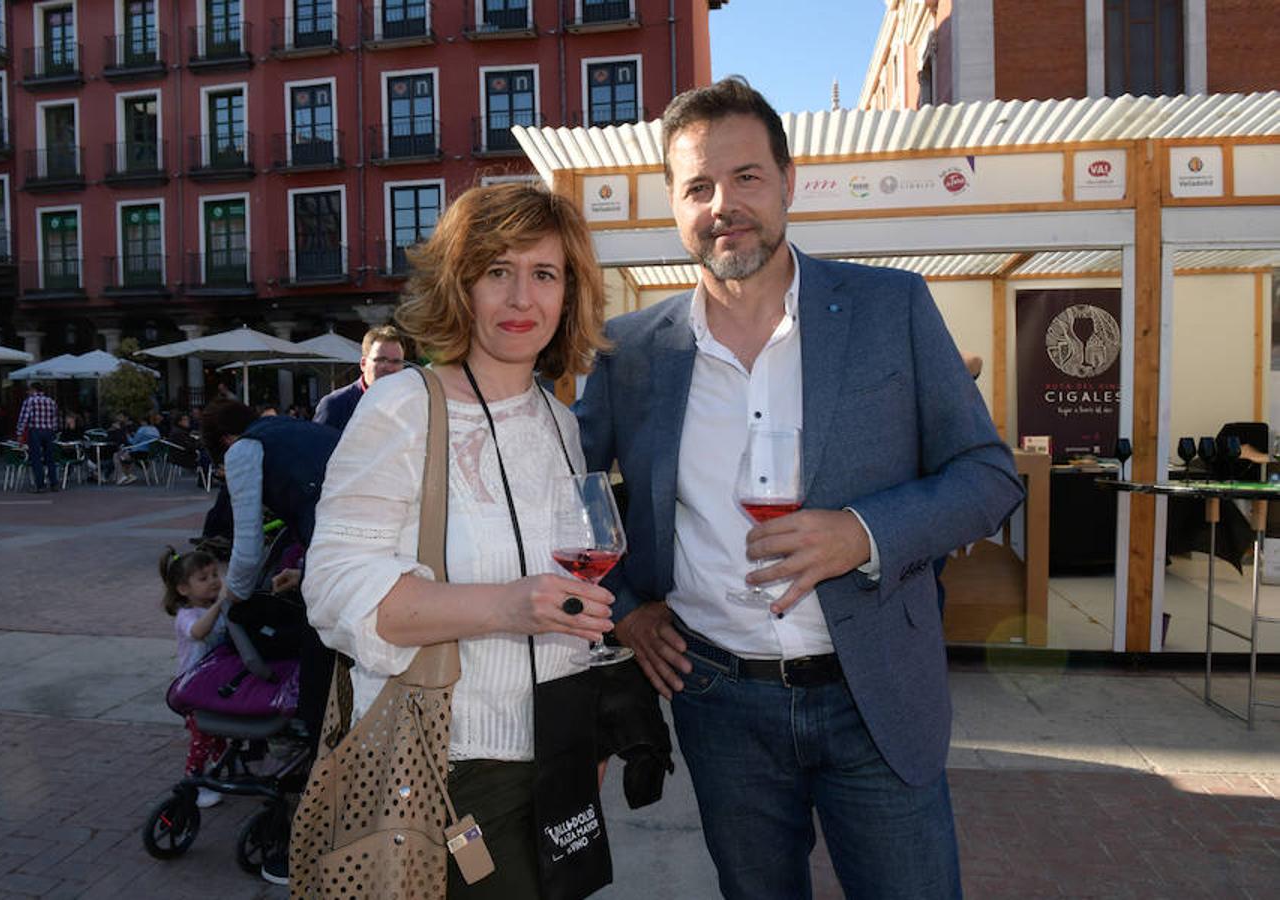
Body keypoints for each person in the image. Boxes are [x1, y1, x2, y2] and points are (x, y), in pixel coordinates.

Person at [575, 77, 1025, 900]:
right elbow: (562, 489)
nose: (724, 205)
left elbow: (988, 476)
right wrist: (632, 603)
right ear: (673, 206)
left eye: (746, 177)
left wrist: (862, 533)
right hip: (718, 702)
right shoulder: (632, 352)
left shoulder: (893, 308)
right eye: (698, 187)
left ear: (790, 182)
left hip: (876, 694)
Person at [303, 183, 612, 899]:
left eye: (544, 274)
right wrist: (508, 606)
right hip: (447, 770)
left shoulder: (559, 421)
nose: (520, 300)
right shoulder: (404, 407)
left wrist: (592, 727)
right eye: (496, 272)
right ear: (460, 285)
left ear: (568, 293)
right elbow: (333, 591)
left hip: (558, 759)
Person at [199, 396, 341, 885]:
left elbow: (246, 547)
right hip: (364, 556)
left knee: (322, 710)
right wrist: (302, 572)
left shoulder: (243, 451)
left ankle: (309, 839)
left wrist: (228, 604)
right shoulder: (304, 431)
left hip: (339, 572)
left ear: (222, 443)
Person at [159, 546, 229, 809]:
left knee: (219, 731)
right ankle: (194, 782)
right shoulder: (186, 616)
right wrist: (221, 603)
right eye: (203, 578)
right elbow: (199, 632)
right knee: (202, 736)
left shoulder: (214, 608)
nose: (213, 581)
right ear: (183, 589)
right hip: (192, 690)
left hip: (213, 684)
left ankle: (221, 771)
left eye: (215, 574)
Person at [312, 325, 408, 431]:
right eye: (381, 360)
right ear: (363, 364)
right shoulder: (335, 405)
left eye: (396, 361)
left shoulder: (411, 405)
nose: (389, 368)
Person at [15, 382, 61, 493]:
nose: (28, 392)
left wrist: (20, 433)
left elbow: (24, 418)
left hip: (35, 430)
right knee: (50, 458)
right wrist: (53, 431)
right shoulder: (51, 401)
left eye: (29, 390)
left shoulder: (30, 401)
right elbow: (55, 418)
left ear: (33, 390)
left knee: (36, 458)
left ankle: (40, 485)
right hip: (49, 431)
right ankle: (54, 483)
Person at [115, 413, 161, 485]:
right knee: (125, 456)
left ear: (144, 422)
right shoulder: (155, 429)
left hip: (140, 453)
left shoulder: (142, 429)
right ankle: (127, 476)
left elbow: (133, 442)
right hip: (151, 454)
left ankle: (125, 476)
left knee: (118, 455)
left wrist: (127, 435)